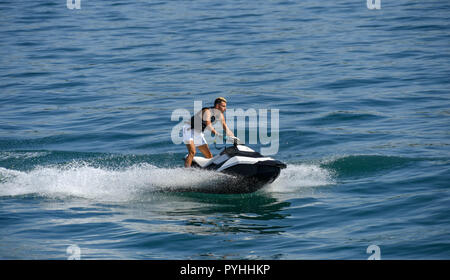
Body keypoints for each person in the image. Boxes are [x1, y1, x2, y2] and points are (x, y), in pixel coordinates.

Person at [183, 97, 237, 167]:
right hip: (188, 129)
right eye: (223, 106)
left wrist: (234, 138)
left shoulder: (220, 115)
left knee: (209, 155)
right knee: (192, 152)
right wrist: (218, 134)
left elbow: (226, 128)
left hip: (198, 132)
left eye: (225, 106)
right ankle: (187, 171)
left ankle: (210, 170)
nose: (225, 108)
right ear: (217, 106)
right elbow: (208, 125)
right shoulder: (207, 111)